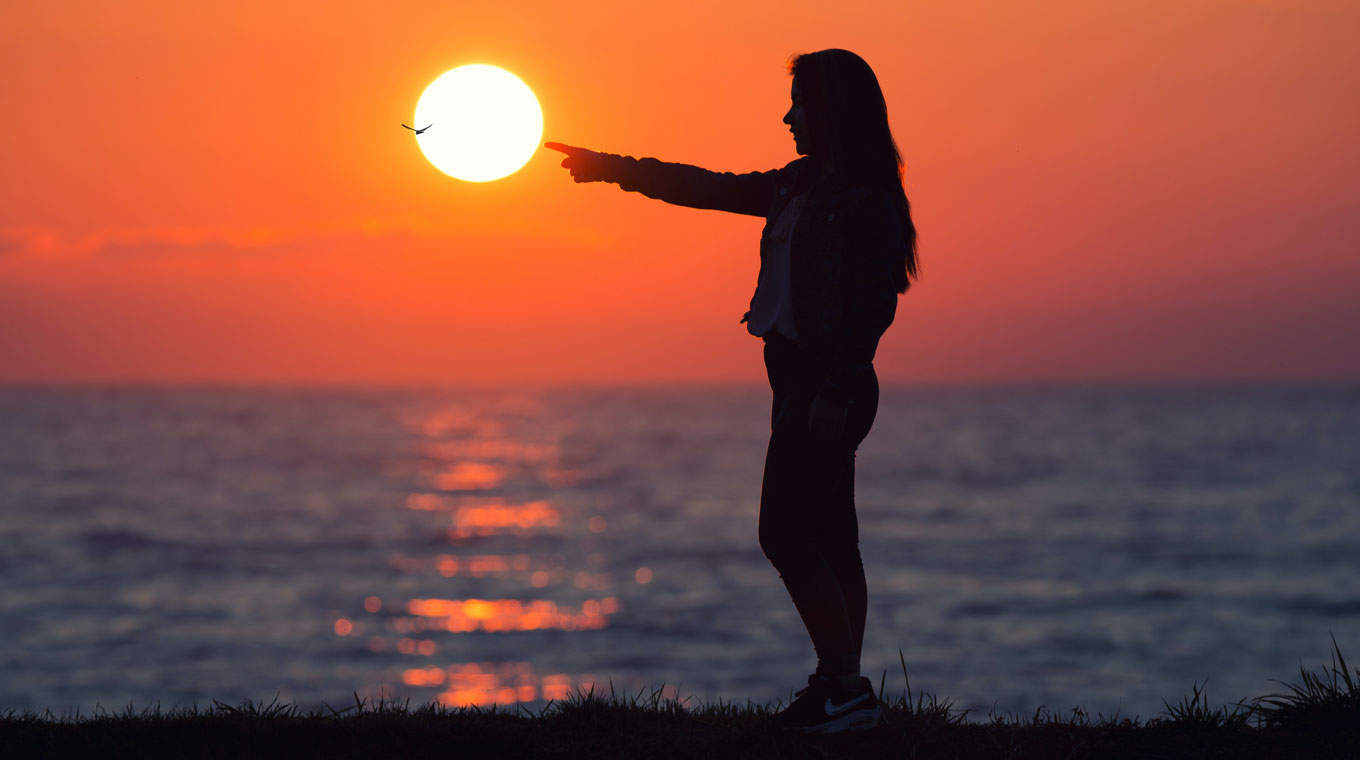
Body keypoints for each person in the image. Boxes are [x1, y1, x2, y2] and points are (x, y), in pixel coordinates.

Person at [546, 48, 918, 734]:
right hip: (798, 384)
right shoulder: (797, 186)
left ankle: (845, 686)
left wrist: (833, 393)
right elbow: (708, 187)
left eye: (801, 103)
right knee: (833, 535)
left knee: (783, 530)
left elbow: (872, 306)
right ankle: (842, 688)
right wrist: (611, 169)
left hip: (829, 387)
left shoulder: (867, 201)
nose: (789, 116)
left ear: (834, 110)